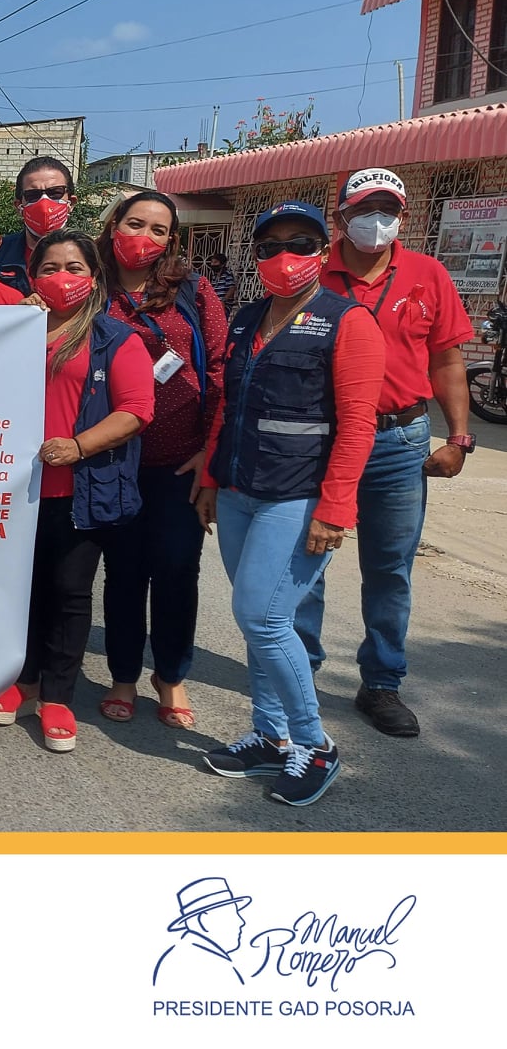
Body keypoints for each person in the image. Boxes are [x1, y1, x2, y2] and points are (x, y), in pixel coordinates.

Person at [195, 202, 384, 807]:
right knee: (258, 621)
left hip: (297, 495)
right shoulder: (249, 318)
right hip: (239, 490)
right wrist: (210, 474)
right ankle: (270, 735)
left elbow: (358, 425)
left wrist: (336, 508)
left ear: (323, 251)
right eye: (270, 245)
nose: (284, 256)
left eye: (300, 243)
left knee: (263, 618)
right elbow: (229, 404)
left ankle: (314, 744)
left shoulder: (348, 321)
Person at [297, 167, 475, 738]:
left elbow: (447, 361)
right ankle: (298, 674)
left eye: (389, 210)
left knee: (390, 570)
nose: (378, 221)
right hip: (322, 439)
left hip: (399, 441)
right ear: (341, 217)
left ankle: (381, 683)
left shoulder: (428, 274)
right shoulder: (312, 272)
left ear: (403, 215)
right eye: (365, 210)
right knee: (306, 563)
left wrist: (459, 438)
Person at [0, 229, 153, 753]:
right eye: (50, 268)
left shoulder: (115, 338)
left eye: (74, 267)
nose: (62, 277)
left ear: (95, 278)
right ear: (32, 277)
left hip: (78, 490)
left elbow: (136, 410)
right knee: (20, 589)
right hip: (13, 491)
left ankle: (57, 696)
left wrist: (78, 447)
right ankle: (23, 681)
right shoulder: (14, 329)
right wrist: (14, 324)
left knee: (69, 593)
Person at [96, 190, 227, 729]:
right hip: (110, 459)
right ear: (114, 227)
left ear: (171, 239)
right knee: (123, 573)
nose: (144, 237)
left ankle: (170, 675)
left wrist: (209, 453)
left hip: (180, 461)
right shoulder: (90, 286)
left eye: (158, 229)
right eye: (135, 224)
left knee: (177, 570)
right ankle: (124, 676)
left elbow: (219, 369)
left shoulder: (193, 290)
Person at [0, 156, 77, 296]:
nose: (44, 202)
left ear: (71, 203)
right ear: (19, 206)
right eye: (33, 195)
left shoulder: (90, 255)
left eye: (55, 193)